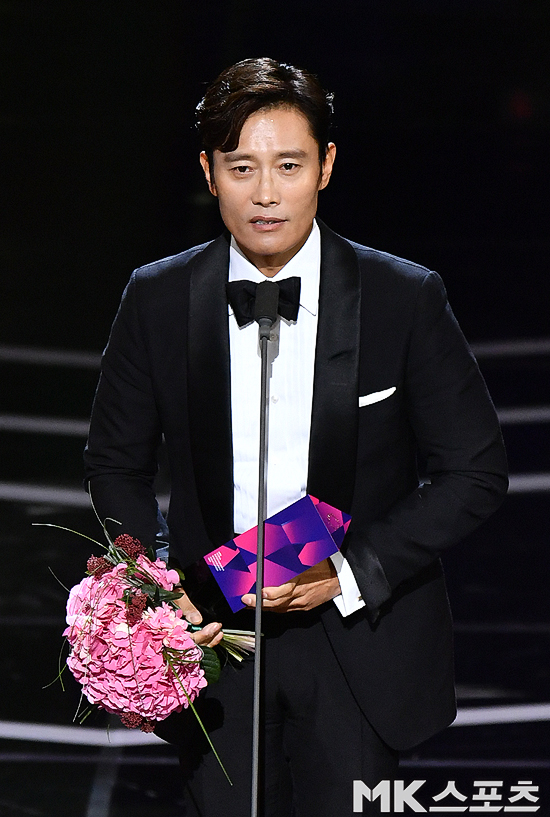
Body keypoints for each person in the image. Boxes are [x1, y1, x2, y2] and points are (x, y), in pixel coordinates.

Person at [84, 57, 508, 816]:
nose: (266, 193)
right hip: (213, 632)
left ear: (326, 166)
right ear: (209, 173)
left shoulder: (403, 296)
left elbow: (473, 470)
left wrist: (348, 572)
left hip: (358, 635)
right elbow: (116, 462)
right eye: (241, 167)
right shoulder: (156, 297)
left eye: (288, 165)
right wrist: (159, 583)